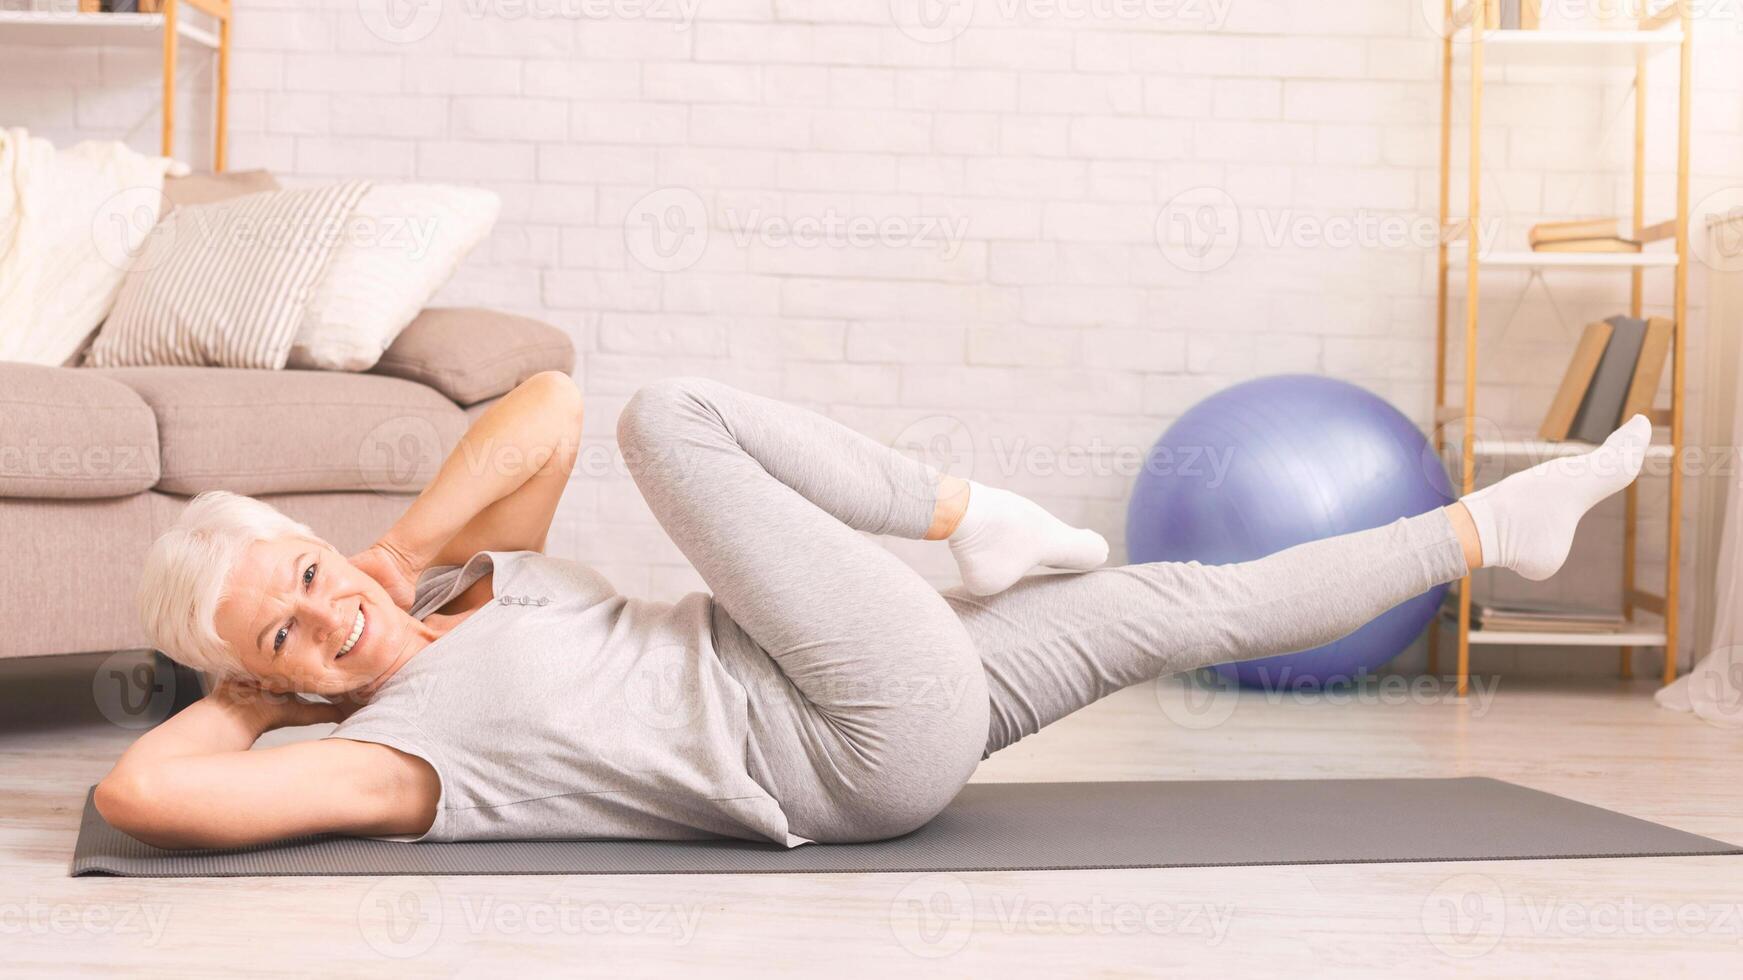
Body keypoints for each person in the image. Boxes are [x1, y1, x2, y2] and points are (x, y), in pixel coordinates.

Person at [97, 372, 1651, 850]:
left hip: (876, 701)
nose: (326, 622)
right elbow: (140, 790)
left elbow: (543, 408)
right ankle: (977, 522)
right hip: (850, 738)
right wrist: (254, 691)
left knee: (1184, 598)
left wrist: (387, 551)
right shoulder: (393, 754)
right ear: (277, 684)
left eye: (305, 578)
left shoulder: (456, 585)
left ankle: (1493, 528)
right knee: (673, 420)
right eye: (283, 634)